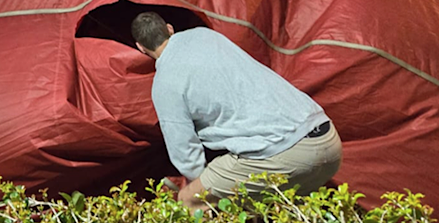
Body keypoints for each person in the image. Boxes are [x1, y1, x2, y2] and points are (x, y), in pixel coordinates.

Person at [131, 11, 342, 212]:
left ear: (140, 47)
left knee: (190, 200)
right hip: (327, 138)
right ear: (169, 28)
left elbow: (185, 152)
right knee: (265, 206)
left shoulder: (164, 83)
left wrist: (197, 185)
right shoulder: (206, 36)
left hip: (284, 153)